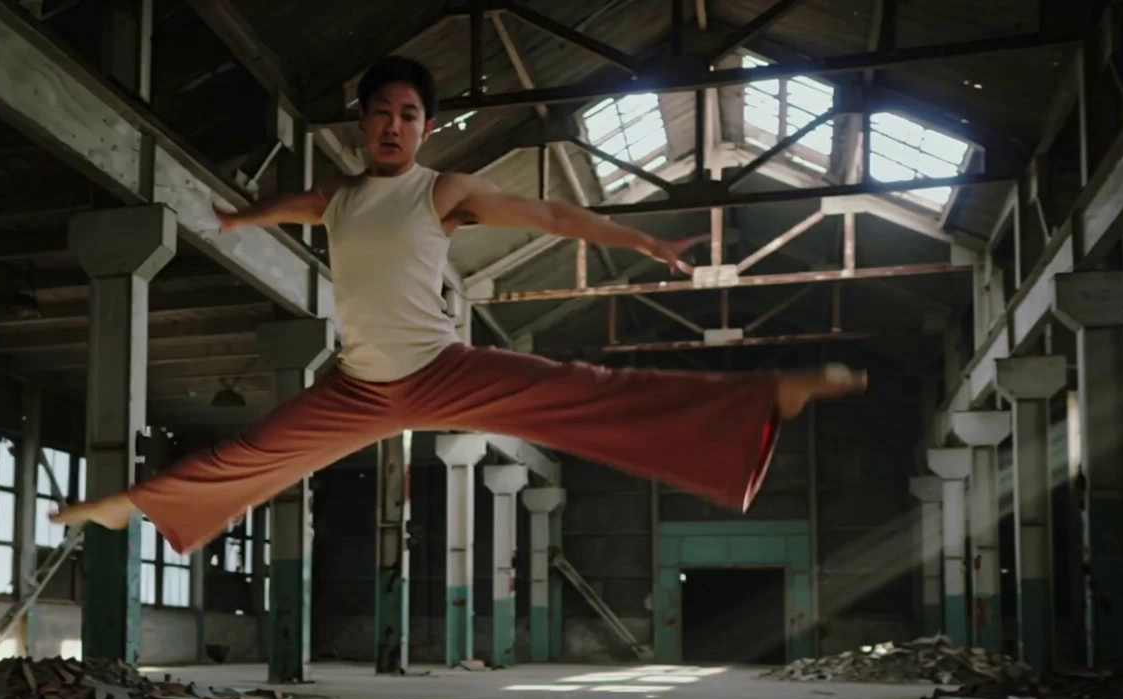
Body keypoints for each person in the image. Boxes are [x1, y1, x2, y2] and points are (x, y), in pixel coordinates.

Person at [51, 55, 865, 553]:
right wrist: (239, 217)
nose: (393, 126)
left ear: (427, 127)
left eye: (408, 115)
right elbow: (294, 203)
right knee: (256, 454)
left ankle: (761, 397)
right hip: (359, 386)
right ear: (363, 123)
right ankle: (130, 509)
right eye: (380, 114)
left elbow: (548, 216)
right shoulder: (338, 195)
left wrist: (642, 244)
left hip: (444, 370)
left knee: (584, 391)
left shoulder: (444, 191)